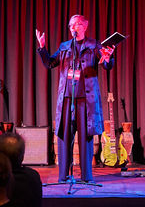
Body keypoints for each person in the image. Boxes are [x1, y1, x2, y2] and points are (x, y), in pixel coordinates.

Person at [35, 14, 115, 183]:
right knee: (64, 136)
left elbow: (107, 65)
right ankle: (63, 176)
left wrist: (108, 59)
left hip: (86, 99)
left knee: (85, 137)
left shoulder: (94, 45)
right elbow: (50, 63)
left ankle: (86, 176)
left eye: (77, 24)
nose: (73, 27)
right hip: (67, 98)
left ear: (85, 26)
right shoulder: (65, 46)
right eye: (71, 25)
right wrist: (42, 48)